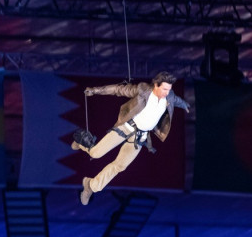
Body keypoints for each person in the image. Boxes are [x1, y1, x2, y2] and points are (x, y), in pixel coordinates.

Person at [71, 71, 190, 205]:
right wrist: (95, 90)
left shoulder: (170, 96)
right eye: (164, 89)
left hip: (139, 137)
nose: (167, 93)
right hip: (125, 128)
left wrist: (184, 104)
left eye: (169, 89)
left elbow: (176, 100)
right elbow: (118, 89)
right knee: (96, 153)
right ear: (156, 85)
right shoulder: (143, 90)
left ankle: (91, 186)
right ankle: (80, 143)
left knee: (120, 165)